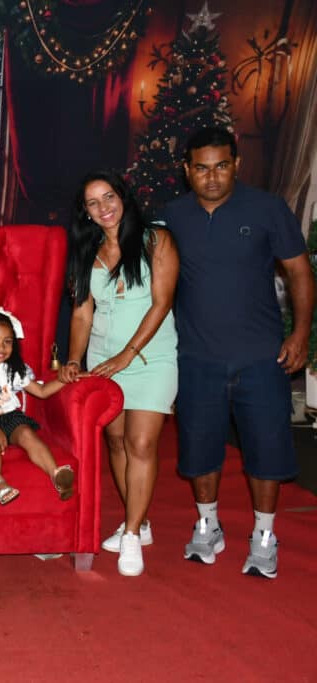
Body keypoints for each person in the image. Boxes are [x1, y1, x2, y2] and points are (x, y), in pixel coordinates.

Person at [159, 127, 314, 579]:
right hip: (197, 357)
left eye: (222, 166)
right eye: (202, 168)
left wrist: (300, 334)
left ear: (237, 165)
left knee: (267, 448)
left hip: (262, 357)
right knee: (199, 449)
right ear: (187, 170)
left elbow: (300, 273)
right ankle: (208, 525)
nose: (212, 177)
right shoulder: (172, 216)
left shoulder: (268, 208)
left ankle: (264, 535)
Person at [61, 170, 178, 577]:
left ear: (123, 197)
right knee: (115, 441)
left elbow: (162, 303)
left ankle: (130, 534)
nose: (104, 208)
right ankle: (139, 522)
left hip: (150, 359)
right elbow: (82, 313)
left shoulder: (156, 240)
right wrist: (74, 359)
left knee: (141, 443)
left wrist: (129, 355)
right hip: (103, 359)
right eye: (93, 203)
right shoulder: (87, 252)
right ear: (86, 212)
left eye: (109, 197)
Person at [0, 310, 74, 506]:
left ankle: (57, 475)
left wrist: (64, 379)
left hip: (11, 417)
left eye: (7, 342)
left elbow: (41, 391)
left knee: (26, 433)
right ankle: (0, 484)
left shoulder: (12, 369)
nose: (1, 348)